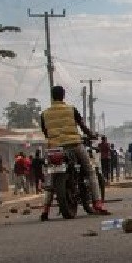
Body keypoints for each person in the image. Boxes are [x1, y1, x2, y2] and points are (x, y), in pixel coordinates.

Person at [39, 85, 110, 218]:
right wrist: (91, 135)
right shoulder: (71, 110)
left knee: (52, 176)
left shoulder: (44, 114)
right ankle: (98, 204)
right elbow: (83, 127)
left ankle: (45, 209)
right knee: (90, 171)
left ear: (52, 97)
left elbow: (45, 132)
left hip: (55, 148)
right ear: (63, 96)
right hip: (74, 144)